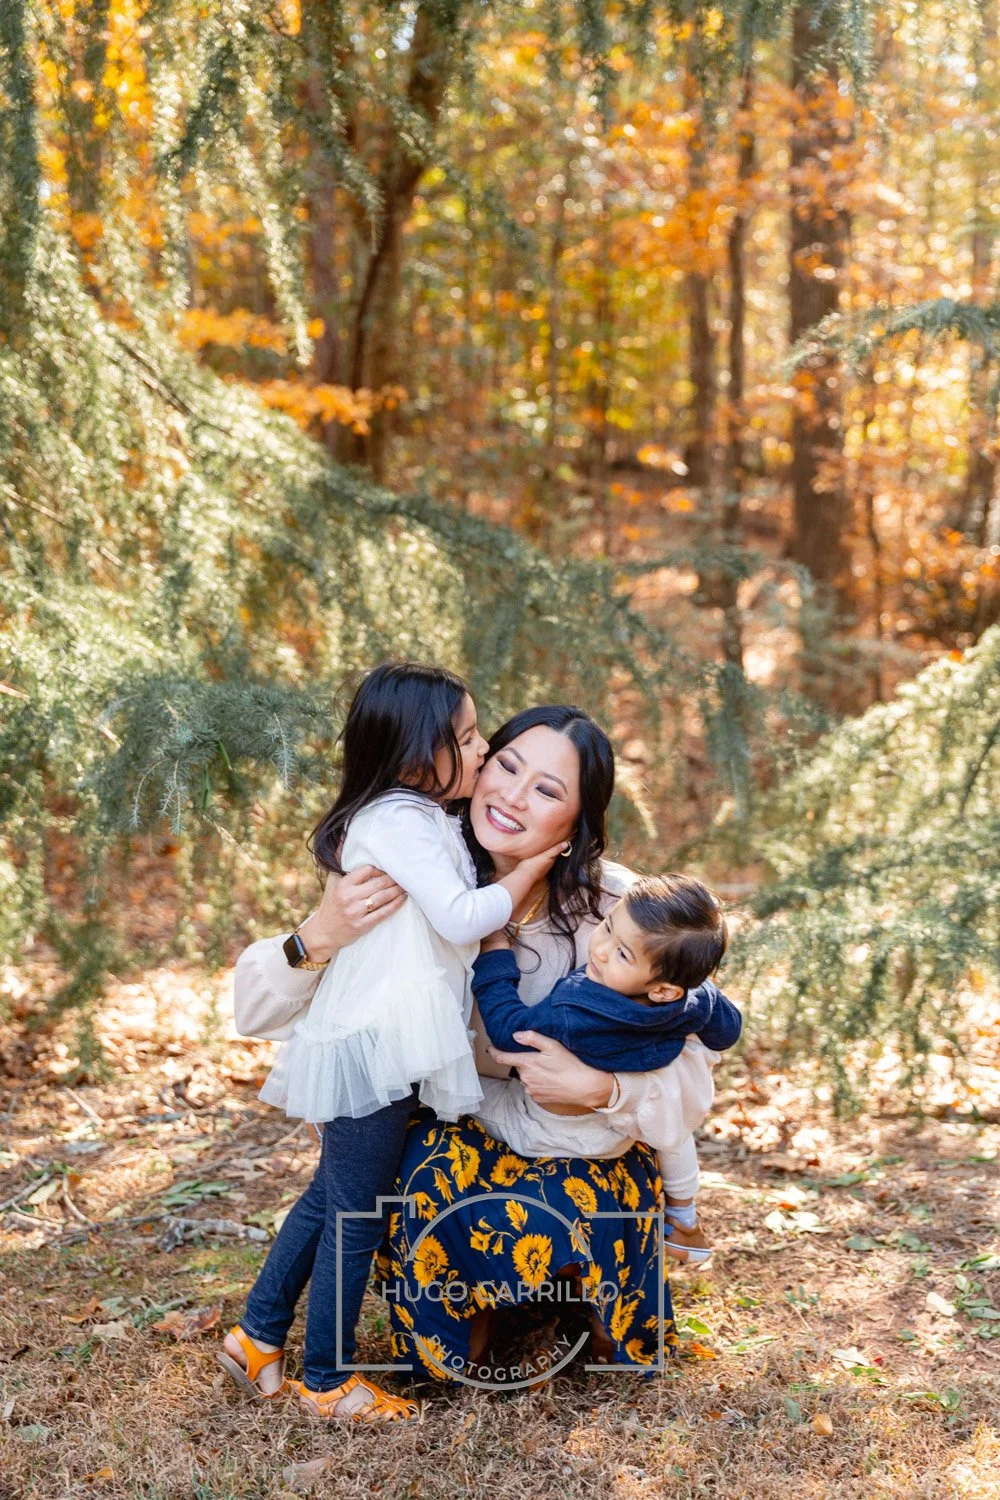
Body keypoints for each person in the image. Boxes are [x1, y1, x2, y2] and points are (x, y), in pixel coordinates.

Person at [232, 703, 737, 1406]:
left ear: (578, 821)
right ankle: (452, 1321)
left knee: (585, 1192)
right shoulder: (422, 866)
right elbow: (256, 1014)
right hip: (458, 1129)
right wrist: (315, 936)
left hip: (573, 1141)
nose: (513, 796)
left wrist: (602, 1090)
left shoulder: (619, 908)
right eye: (506, 766)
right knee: (409, 1190)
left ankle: (570, 1299)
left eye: (547, 790)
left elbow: (691, 1062)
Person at [220, 664, 566, 1422]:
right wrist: (535, 868)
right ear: (414, 756)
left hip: (381, 1043)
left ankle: (257, 1336)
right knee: (358, 1215)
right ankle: (327, 1378)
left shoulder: (425, 818)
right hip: (373, 1044)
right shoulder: (397, 821)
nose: (482, 751)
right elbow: (462, 916)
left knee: (332, 1198)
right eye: (466, 739)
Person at [469, 873, 742, 1264]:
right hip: (624, 1127)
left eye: (623, 955)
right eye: (608, 927)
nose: (600, 950)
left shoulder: (575, 1012)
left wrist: (495, 953)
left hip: (553, 1132)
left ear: (663, 989)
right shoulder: (692, 998)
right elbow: (727, 1029)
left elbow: (510, 1033)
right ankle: (683, 1213)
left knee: (466, 1095)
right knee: (676, 1133)